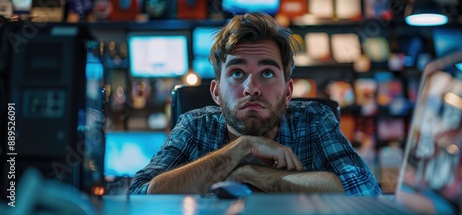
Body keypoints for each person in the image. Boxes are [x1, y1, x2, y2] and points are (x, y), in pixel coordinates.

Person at [128, 12, 381, 196]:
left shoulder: (314, 120)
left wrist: (249, 173)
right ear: (216, 92)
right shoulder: (195, 125)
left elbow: (365, 191)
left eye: (267, 73)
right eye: (237, 73)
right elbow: (140, 195)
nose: (252, 88)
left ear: (288, 91)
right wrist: (243, 146)